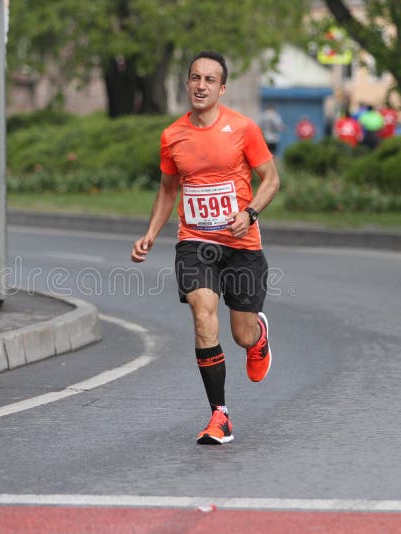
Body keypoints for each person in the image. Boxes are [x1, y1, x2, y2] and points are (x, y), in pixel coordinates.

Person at [130, 50, 280, 445]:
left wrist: (250, 214)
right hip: (195, 241)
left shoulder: (244, 129)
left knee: (241, 335)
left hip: (241, 242)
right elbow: (167, 190)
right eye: (195, 78)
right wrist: (150, 233)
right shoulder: (172, 136)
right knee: (202, 312)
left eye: (209, 80)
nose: (200, 86)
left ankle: (258, 335)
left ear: (222, 88)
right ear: (187, 83)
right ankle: (220, 414)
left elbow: (271, 180)